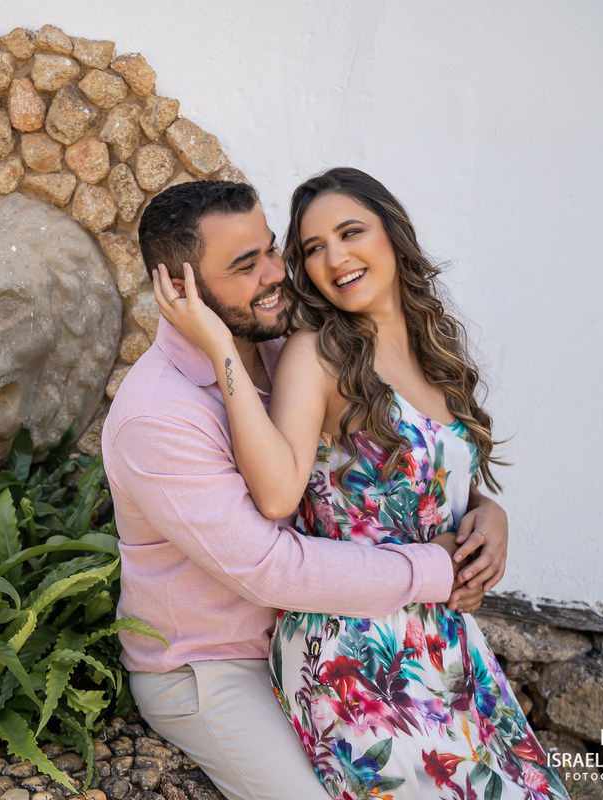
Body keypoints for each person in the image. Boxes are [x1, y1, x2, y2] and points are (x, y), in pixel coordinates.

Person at [148, 170, 566, 799]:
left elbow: (429, 475)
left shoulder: (435, 347)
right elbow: (278, 496)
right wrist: (220, 348)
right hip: (358, 649)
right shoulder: (316, 355)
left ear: (393, 233)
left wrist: (488, 511)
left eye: (350, 233)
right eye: (314, 248)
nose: (334, 258)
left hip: (446, 632)